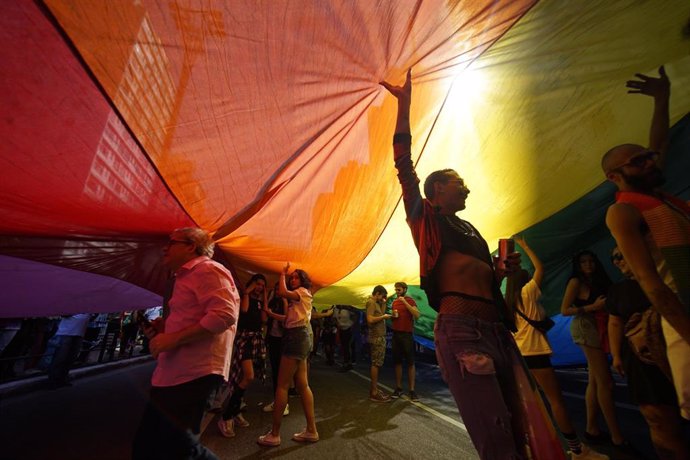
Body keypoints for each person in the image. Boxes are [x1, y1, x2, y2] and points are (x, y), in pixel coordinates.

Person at [382, 71, 563, 459]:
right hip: (463, 334)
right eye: (459, 183)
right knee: (495, 434)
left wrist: (504, 273)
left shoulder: (472, 229)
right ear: (437, 191)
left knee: (522, 426)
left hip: (497, 331)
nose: (467, 188)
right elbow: (403, 163)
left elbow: (489, 283)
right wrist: (404, 105)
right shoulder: (424, 217)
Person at [602, 66, 690, 421]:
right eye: (637, 161)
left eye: (648, 158)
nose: (650, 161)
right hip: (682, 316)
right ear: (615, 176)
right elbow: (651, 284)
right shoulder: (623, 211)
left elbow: (659, 145)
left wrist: (662, 97)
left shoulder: (663, 200)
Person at [131, 227, 239, 460]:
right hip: (173, 373)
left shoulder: (208, 269)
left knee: (179, 449)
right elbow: (196, 320)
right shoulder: (184, 277)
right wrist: (164, 329)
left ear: (191, 246)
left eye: (171, 242)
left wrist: (172, 338)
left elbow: (223, 315)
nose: (165, 248)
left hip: (194, 373)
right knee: (148, 447)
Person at [508, 237, 607, 460]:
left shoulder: (509, 301)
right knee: (556, 402)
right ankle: (577, 450)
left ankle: (531, 446)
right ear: (524, 280)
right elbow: (541, 268)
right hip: (536, 353)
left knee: (529, 404)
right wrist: (525, 246)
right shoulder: (527, 293)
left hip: (520, 354)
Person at [607, 247, 688, 459]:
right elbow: (614, 323)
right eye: (616, 257)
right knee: (658, 418)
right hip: (642, 359)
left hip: (678, 347)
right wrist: (615, 355)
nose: (620, 259)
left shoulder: (669, 275)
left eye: (624, 252)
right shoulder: (618, 291)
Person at [560, 250, 630, 450]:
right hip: (586, 327)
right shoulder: (575, 282)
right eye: (584, 261)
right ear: (578, 264)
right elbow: (564, 310)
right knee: (606, 383)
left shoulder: (599, 279)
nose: (588, 264)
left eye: (591, 261)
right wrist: (593, 306)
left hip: (597, 326)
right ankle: (617, 437)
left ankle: (592, 429)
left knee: (595, 380)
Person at [258, 263, 318, 446]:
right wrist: (272, 314)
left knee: (282, 386)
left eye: (296, 277)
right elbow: (289, 318)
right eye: (291, 277)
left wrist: (282, 274)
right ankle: (311, 430)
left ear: (303, 280)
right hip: (301, 336)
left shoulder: (302, 291)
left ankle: (275, 434)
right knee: (302, 385)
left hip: (296, 338)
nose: (293, 280)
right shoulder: (300, 297)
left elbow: (282, 292)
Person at [217, 274, 268, 438]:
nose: (259, 287)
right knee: (248, 376)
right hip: (244, 339)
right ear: (252, 283)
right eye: (258, 284)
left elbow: (264, 319)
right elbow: (244, 310)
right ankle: (226, 417)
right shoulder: (243, 296)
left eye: (262, 285)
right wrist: (247, 291)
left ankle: (235, 410)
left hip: (255, 340)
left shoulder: (260, 302)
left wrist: (265, 298)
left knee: (242, 378)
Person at [389, 282, 420, 401]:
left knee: (411, 363)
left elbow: (417, 315)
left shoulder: (410, 300)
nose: (397, 291)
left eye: (399, 290)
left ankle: (412, 390)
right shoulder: (394, 302)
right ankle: (398, 388)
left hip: (407, 335)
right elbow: (395, 318)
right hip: (396, 334)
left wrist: (405, 302)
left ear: (405, 290)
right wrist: (392, 316)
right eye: (396, 290)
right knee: (397, 362)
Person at [262, 283, 290, 415]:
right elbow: (265, 315)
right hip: (273, 340)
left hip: (284, 341)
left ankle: (284, 404)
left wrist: (284, 301)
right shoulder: (273, 301)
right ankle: (277, 401)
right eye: (276, 289)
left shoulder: (288, 302)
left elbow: (286, 321)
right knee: (275, 371)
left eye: (280, 289)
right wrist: (267, 296)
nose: (278, 291)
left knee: (282, 374)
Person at [46, 313, 90, 389]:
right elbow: (64, 313)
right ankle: (52, 380)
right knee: (60, 357)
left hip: (79, 333)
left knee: (71, 358)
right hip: (66, 332)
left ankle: (62, 378)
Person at [366, 285, 392, 402]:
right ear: (377, 293)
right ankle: (374, 392)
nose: (382, 298)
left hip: (379, 336)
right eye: (382, 296)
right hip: (376, 337)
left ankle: (374, 389)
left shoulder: (376, 303)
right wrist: (383, 317)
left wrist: (383, 303)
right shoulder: (371, 302)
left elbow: (381, 314)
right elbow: (370, 319)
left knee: (377, 363)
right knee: (376, 363)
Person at [334, 305, 356, 371]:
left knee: (347, 346)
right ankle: (346, 362)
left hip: (348, 329)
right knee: (343, 346)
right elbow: (335, 318)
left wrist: (352, 324)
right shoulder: (336, 309)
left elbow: (355, 316)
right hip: (341, 329)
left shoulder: (348, 309)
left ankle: (348, 363)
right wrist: (338, 324)